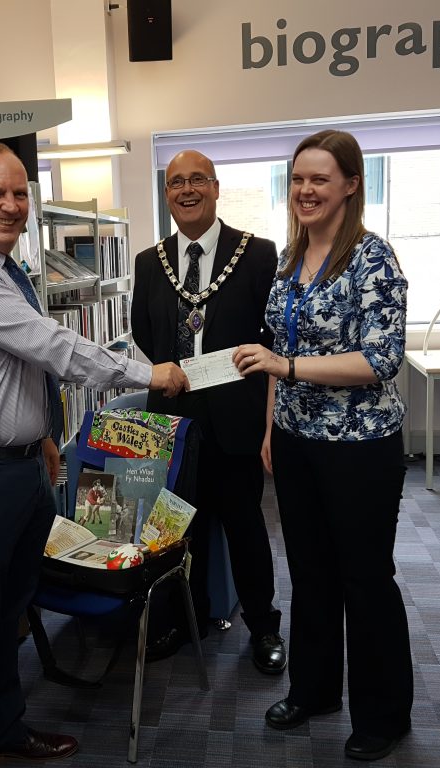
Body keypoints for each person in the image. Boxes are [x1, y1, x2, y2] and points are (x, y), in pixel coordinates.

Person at [0, 141, 188, 768]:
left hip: (13, 465)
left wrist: (39, 430)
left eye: (19, 194)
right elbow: (49, 344)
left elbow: (6, 364)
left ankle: (4, 730)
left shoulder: (5, 266)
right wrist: (146, 374)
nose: (10, 206)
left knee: (8, 611)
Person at [232, 129, 412, 762]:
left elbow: (381, 359)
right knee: (309, 575)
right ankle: (314, 690)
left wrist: (287, 370)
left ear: (351, 186)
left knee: (365, 578)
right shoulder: (289, 260)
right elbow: (277, 355)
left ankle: (383, 714)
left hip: (361, 445)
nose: (305, 191)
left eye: (319, 180)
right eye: (298, 179)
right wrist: (269, 431)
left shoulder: (372, 259)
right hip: (297, 440)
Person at [130, 149, 286, 674]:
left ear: (217, 188)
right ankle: (181, 621)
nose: (187, 190)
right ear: (167, 193)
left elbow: (271, 339)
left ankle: (264, 627)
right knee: (175, 531)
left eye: (198, 180)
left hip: (236, 422)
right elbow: (146, 335)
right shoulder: (149, 262)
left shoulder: (258, 254)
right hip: (172, 423)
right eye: (176, 182)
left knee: (245, 528)